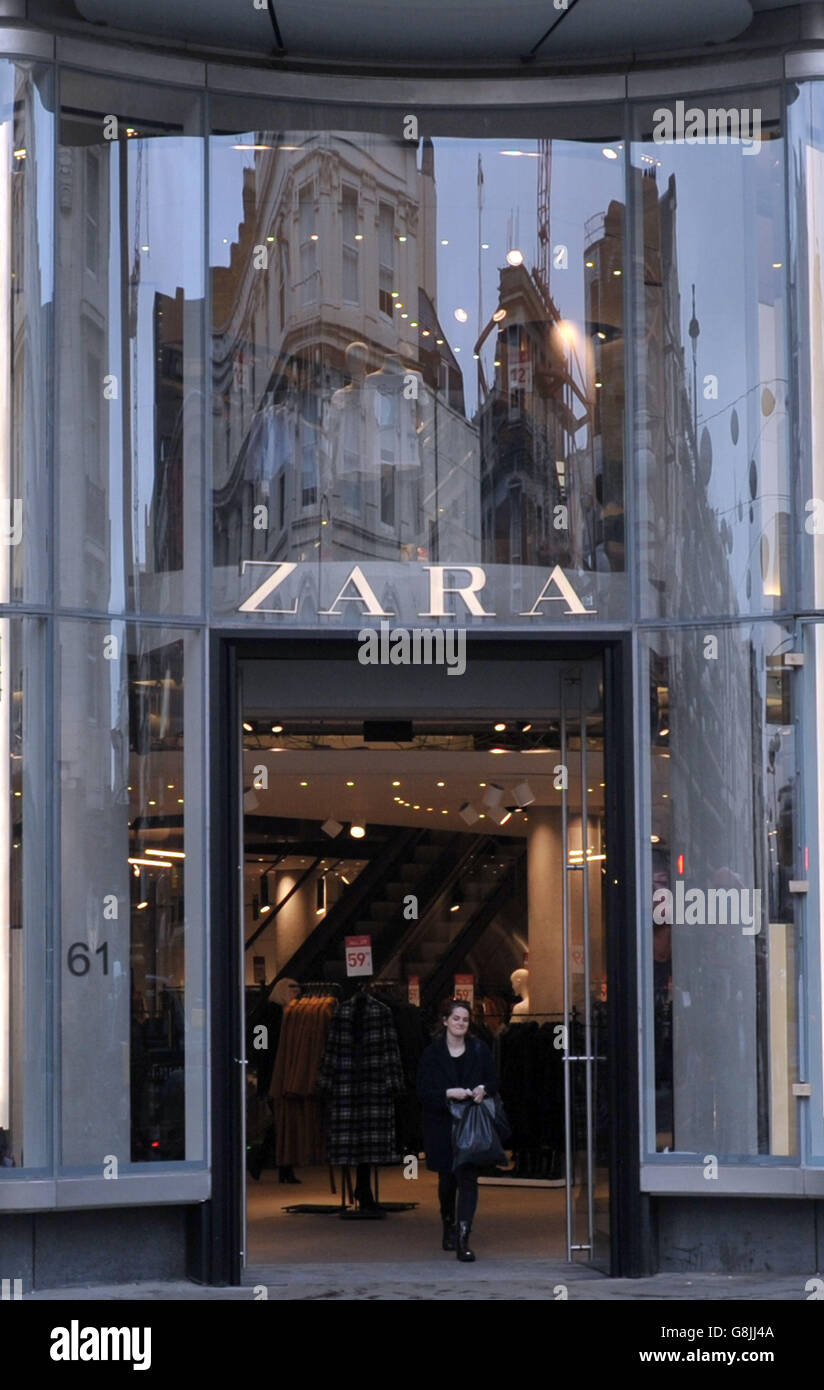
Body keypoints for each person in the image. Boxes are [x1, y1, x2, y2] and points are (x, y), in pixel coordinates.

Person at [416, 998, 500, 1262]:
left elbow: (494, 1079)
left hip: (471, 1124)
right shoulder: (432, 1054)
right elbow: (422, 1092)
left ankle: (464, 1236)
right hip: (441, 1126)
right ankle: (448, 1225)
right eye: (456, 1019)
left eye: (465, 1019)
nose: (460, 1023)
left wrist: (482, 1090)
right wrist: (447, 1093)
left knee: (469, 1180)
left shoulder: (479, 1049)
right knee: (447, 1181)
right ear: (445, 1021)